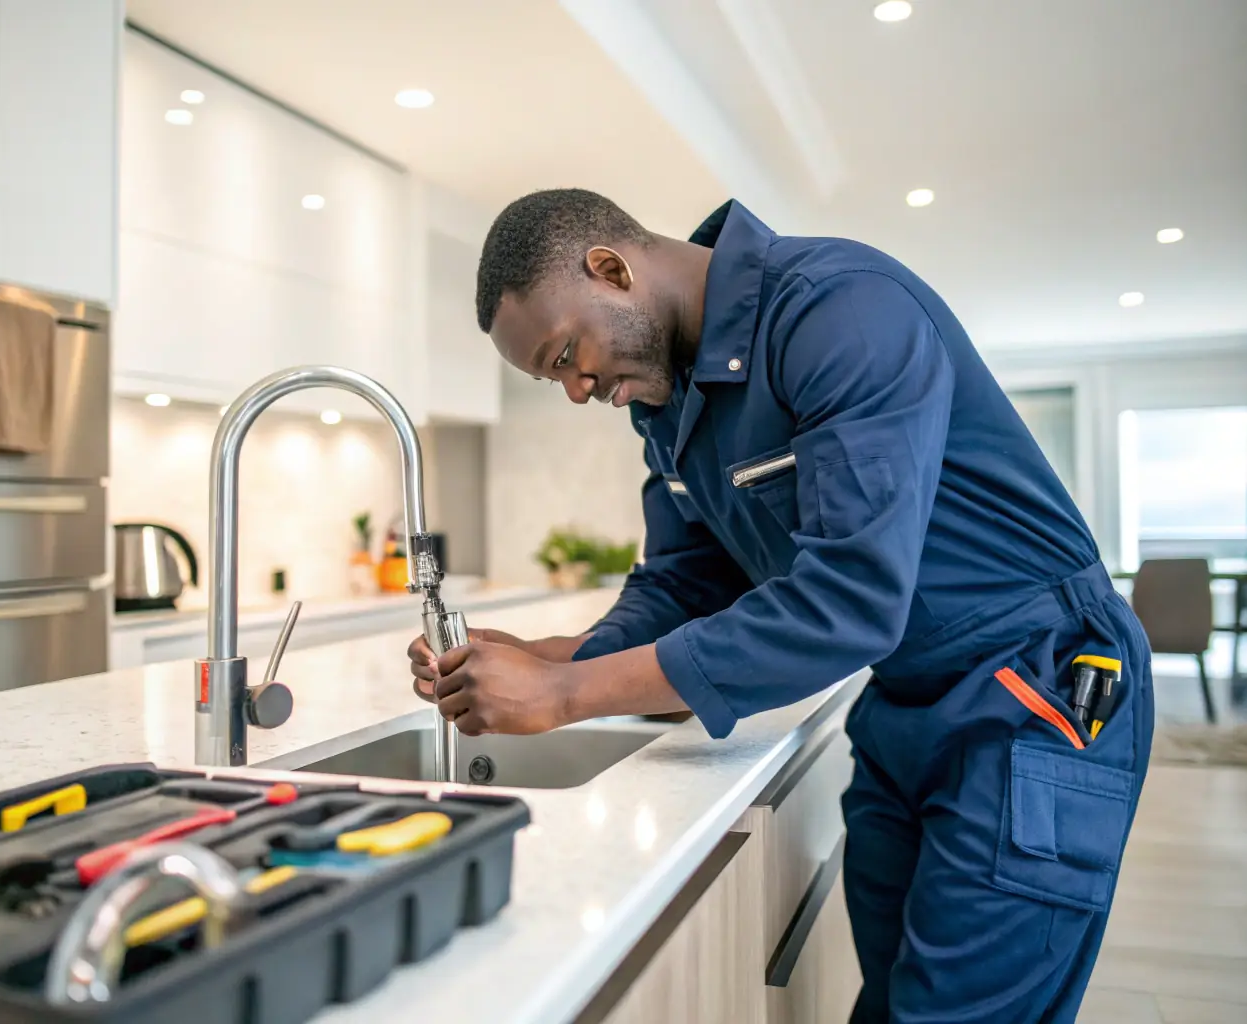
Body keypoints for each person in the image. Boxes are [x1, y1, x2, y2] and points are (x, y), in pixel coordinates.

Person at [407, 189, 1153, 1023]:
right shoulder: (666, 399)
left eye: (564, 355)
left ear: (610, 270)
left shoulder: (840, 311)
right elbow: (685, 580)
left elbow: (848, 600)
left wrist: (566, 697)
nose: (577, 390)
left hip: (1033, 685)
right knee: (895, 1003)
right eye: (555, 378)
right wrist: (558, 656)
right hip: (907, 699)